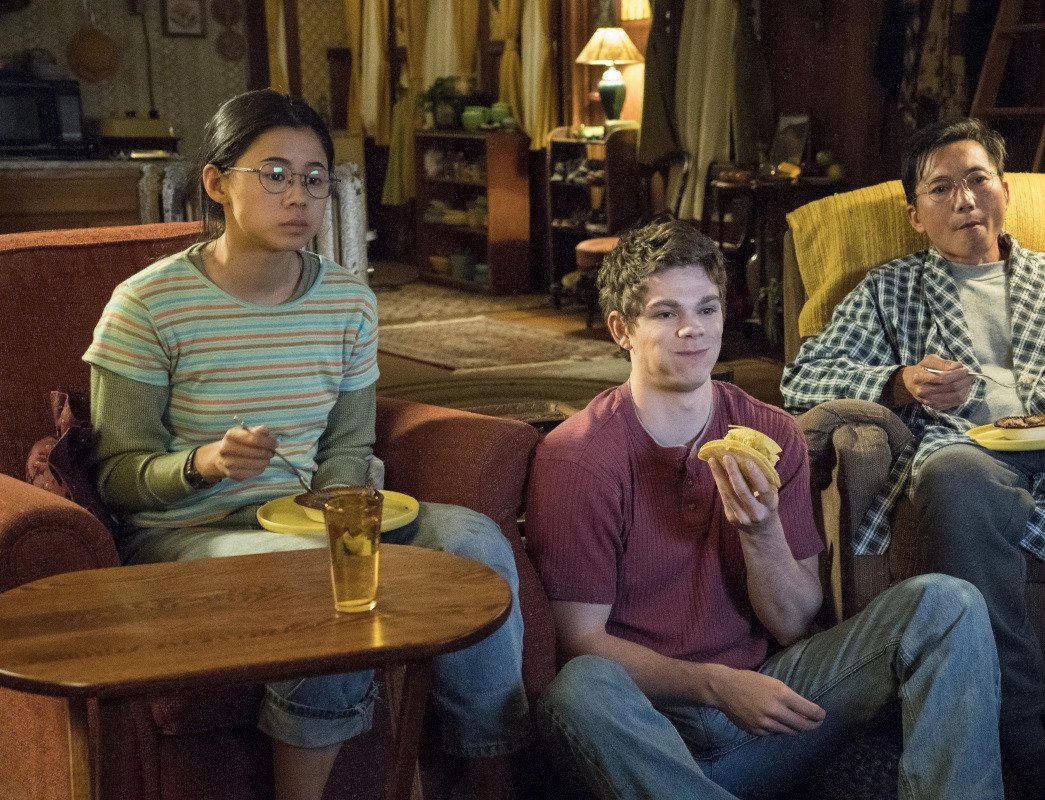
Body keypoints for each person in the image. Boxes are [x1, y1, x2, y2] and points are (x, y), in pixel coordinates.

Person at [83, 89, 530, 800]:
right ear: (217, 183)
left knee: (474, 541)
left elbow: (349, 443)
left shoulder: (348, 301)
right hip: (188, 534)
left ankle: (493, 773)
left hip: (310, 521)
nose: (298, 196)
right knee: (329, 578)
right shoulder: (146, 304)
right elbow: (116, 478)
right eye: (274, 175)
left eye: (314, 178)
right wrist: (204, 463)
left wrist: (339, 505)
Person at [525, 215, 1003, 800]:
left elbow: (793, 622)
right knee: (578, 689)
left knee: (949, 604)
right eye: (665, 313)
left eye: (706, 309)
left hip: (766, 711)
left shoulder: (771, 431)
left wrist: (762, 530)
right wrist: (714, 686)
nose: (692, 330)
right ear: (622, 329)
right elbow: (579, 640)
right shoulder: (578, 456)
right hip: (647, 729)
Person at [781, 116, 1045, 796]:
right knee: (951, 476)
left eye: (977, 180)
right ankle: (1021, 727)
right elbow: (801, 378)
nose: (964, 199)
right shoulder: (889, 288)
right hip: (971, 455)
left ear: (1005, 191)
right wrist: (897, 382)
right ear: (914, 215)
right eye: (941, 188)